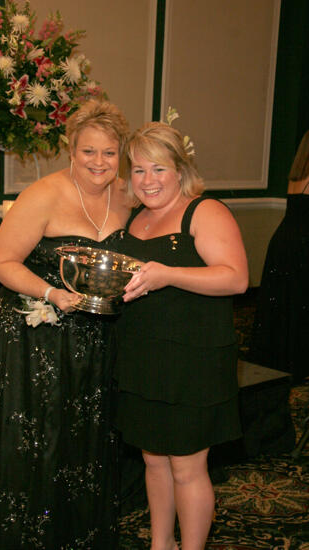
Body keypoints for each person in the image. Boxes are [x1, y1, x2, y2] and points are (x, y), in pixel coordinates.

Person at [0, 99, 130, 550]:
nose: (99, 162)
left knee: (82, 437)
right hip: (37, 336)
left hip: (98, 336)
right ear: (71, 150)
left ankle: (75, 532)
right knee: (40, 439)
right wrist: (51, 294)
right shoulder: (44, 194)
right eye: (89, 151)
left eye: (109, 152)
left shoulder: (127, 193)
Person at [114, 121, 249, 550]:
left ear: (179, 169)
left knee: (188, 466)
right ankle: (161, 544)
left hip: (193, 358)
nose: (147, 181)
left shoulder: (204, 211)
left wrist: (166, 275)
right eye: (138, 170)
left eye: (158, 169)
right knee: (154, 460)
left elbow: (235, 280)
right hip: (142, 353)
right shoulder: (135, 218)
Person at [249, 130, 309, 384]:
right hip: (303, 245)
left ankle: (280, 359)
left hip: (284, 241)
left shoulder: (297, 176)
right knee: (298, 304)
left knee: (284, 303)